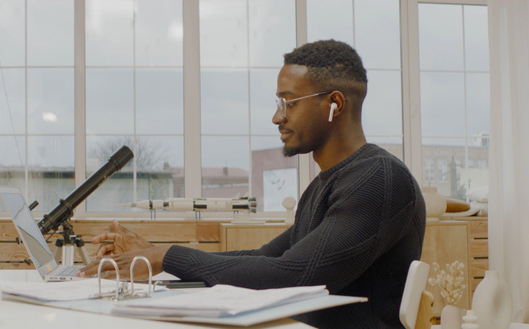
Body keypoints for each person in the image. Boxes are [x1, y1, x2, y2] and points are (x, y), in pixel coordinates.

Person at [76, 39, 426, 328]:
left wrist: (167, 257)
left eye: (289, 102)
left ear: (334, 103)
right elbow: (265, 259)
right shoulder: (328, 184)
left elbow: (295, 275)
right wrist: (156, 255)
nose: (277, 117)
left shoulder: (379, 181)